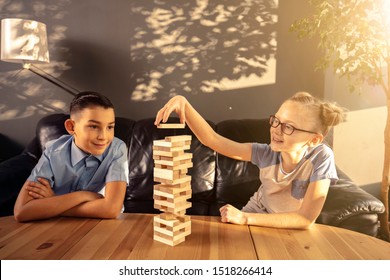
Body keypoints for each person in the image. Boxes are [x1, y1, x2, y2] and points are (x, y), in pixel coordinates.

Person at [154, 92, 347, 229]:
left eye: (289, 127)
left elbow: (305, 219)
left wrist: (245, 218)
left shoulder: (321, 157)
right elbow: (212, 139)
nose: (276, 130)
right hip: (257, 214)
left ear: (314, 139)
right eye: (276, 121)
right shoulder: (266, 153)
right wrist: (184, 104)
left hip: (271, 222)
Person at [14, 91, 128, 222]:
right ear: (71, 127)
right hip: (59, 227)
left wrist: (53, 202)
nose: (103, 137)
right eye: (93, 126)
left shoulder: (117, 149)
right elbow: (21, 211)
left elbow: (111, 209)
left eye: (110, 127)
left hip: (102, 224)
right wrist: (83, 196)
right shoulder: (54, 151)